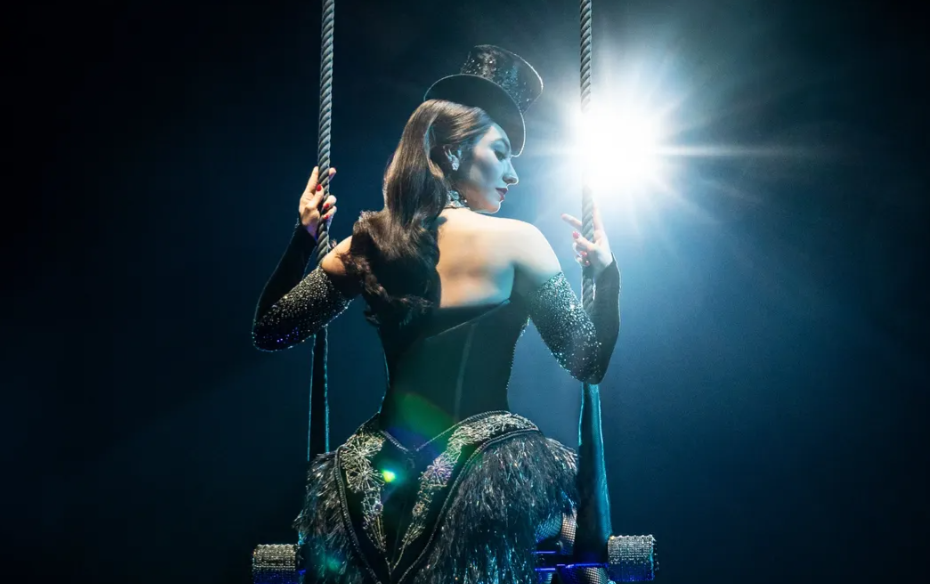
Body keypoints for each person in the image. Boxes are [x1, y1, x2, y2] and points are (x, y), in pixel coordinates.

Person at [252, 45, 621, 584]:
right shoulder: (520, 242)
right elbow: (589, 361)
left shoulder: (370, 243)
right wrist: (606, 276)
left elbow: (271, 329)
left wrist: (304, 237)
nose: (513, 175)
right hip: (488, 474)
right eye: (502, 153)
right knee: (574, 553)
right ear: (452, 153)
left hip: (377, 483)